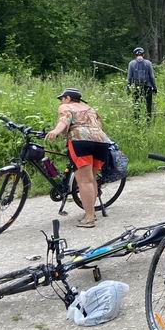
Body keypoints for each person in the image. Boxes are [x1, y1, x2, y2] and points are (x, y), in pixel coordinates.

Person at [46, 88, 111, 228]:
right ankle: (91, 213)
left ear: (68, 98)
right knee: (91, 179)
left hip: (80, 141)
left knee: (84, 181)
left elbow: (65, 119)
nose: (61, 101)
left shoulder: (66, 106)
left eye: (62, 98)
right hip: (102, 142)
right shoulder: (90, 108)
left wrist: (56, 131)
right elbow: (99, 125)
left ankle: (89, 218)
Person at [127, 47, 157, 121]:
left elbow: (129, 78)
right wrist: (155, 87)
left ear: (135, 55)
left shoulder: (131, 64)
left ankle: (137, 121)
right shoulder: (148, 63)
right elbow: (152, 77)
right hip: (148, 87)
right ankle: (148, 122)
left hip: (136, 87)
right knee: (148, 106)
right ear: (143, 55)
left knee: (136, 105)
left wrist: (128, 88)